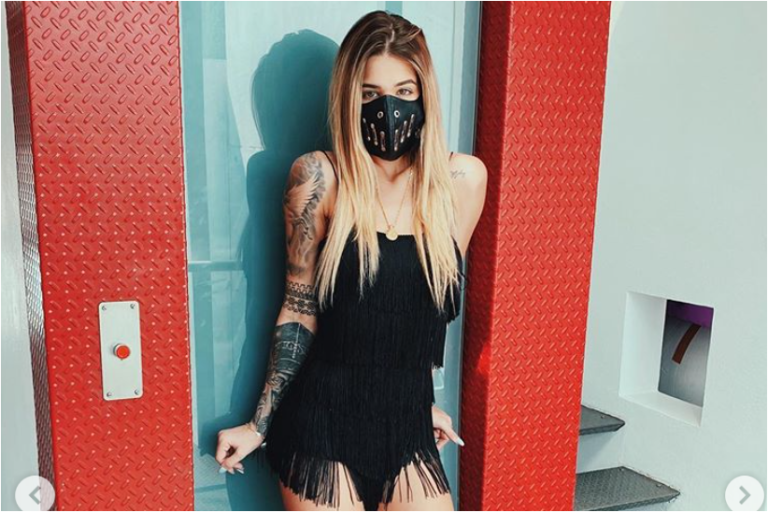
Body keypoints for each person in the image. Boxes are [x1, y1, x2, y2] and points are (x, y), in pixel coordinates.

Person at [215, 10, 487, 511]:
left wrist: (423, 401)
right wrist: (258, 424)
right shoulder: (318, 177)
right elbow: (298, 310)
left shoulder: (462, 181)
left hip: (405, 423)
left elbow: (425, 309)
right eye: (369, 94)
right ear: (348, 99)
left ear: (424, 95)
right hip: (321, 422)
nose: (388, 108)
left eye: (404, 91)